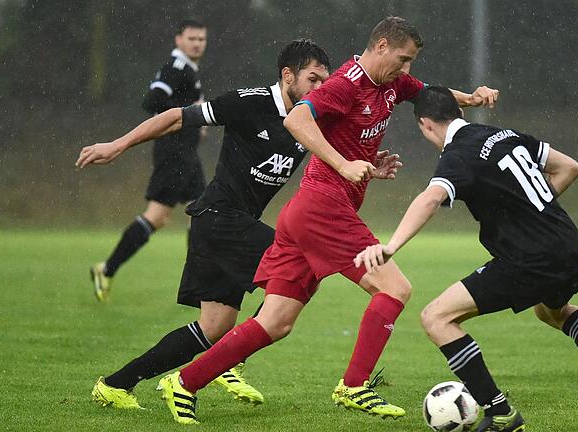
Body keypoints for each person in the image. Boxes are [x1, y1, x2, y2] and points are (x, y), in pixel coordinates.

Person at [153, 17, 499, 425]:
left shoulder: (393, 83)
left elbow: (433, 97)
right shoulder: (345, 83)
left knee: (275, 322)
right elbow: (296, 120)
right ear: (382, 46)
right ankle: (354, 386)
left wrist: (472, 100)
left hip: (307, 213)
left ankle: (185, 382)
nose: (407, 70)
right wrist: (343, 163)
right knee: (396, 288)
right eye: (403, 59)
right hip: (322, 206)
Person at [78, 40, 399, 412]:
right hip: (218, 217)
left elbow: (340, 150)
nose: (319, 88)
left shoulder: (312, 118)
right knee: (296, 261)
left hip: (229, 225)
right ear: (287, 75)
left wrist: (369, 167)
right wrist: (118, 145)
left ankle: (117, 384)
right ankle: (233, 361)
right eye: (312, 79)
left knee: (212, 327)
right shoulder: (249, 102)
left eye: (324, 81)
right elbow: (176, 117)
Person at [353, 86, 578, 431]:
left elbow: (430, 199)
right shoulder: (502, 134)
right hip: (568, 245)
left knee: (436, 318)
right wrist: (528, 207)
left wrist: (390, 246)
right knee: (551, 311)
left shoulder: (457, 155)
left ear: (425, 124)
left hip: (529, 258)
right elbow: (569, 167)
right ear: (458, 113)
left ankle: (500, 411)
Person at [89, 19, 208, 302]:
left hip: (185, 154)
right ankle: (106, 268)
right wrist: (186, 113)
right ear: (178, 40)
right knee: (161, 216)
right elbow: (152, 101)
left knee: (203, 212)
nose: (197, 43)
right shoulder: (176, 68)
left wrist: (195, 120)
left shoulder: (189, 70)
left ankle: (198, 282)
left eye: (201, 39)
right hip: (173, 153)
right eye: (191, 38)